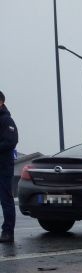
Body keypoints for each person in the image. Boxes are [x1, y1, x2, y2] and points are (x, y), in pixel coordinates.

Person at [0, 90, 19, 244]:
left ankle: (8, 232)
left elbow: (11, 142)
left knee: (6, 199)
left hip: (3, 166)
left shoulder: (7, 120)